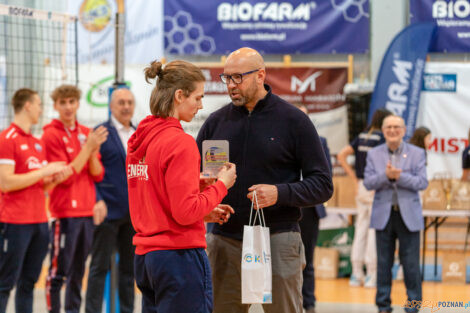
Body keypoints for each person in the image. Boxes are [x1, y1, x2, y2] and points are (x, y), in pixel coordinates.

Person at [196, 47, 333, 313]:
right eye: (226, 78)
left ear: (261, 75)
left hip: (279, 238)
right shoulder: (215, 123)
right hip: (225, 241)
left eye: (238, 78)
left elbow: (323, 184)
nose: (231, 86)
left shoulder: (294, 121)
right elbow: (195, 178)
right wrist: (206, 204)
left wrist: (280, 193)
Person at [127, 60, 237, 313]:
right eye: (197, 98)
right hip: (178, 257)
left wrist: (196, 188)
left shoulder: (139, 141)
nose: (200, 106)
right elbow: (184, 212)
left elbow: (153, 194)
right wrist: (221, 185)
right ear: (179, 95)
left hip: (147, 260)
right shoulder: (180, 143)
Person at [0, 88, 69, 313]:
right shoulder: (7, 138)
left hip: (39, 221)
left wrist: (54, 179)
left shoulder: (36, 143)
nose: (41, 109)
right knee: (4, 283)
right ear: (27, 105)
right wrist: (44, 172)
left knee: (28, 282)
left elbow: (39, 184)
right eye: (39, 104)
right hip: (14, 222)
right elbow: (6, 182)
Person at [42, 84, 108, 313]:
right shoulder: (50, 134)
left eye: (72, 101)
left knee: (78, 272)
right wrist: (88, 147)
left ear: (78, 103)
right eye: (63, 102)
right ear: (56, 106)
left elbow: (97, 173)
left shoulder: (85, 132)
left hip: (86, 212)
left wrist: (90, 151)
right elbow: (65, 177)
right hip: (64, 213)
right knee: (58, 273)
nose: (68, 107)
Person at [363, 115, 428, 313]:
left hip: (409, 216)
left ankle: (413, 305)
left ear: (404, 130)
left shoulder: (417, 153)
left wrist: (400, 176)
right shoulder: (374, 154)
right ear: (383, 131)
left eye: (396, 127)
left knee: (411, 264)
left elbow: (422, 182)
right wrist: (386, 176)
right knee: (383, 263)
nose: (392, 130)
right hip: (383, 215)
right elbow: (368, 182)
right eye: (389, 127)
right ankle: (383, 304)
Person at [85, 88, 136, 313]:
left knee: (128, 272)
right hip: (106, 212)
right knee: (99, 268)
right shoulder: (100, 132)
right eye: (121, 102)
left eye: (129, 102)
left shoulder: (138, 133)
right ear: (111, 106)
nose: (126, 106)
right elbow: (89, 171)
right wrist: (97, 199)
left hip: (133, 215)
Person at [337, 108, 392, 288]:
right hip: (376, 185)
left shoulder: (362, 136)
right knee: (374, 230)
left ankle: (356, 273)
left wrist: (354, 180)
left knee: (361, 227)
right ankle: (372, 274)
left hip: (361, 185)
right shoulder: (382, 139)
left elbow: (341, 155)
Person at [294, 103, 331, 313]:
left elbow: (326, 176)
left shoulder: (320, 142)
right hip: (286, 205)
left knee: (308, 257)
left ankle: (309, 303)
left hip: (310, 208)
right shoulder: (280, 141)